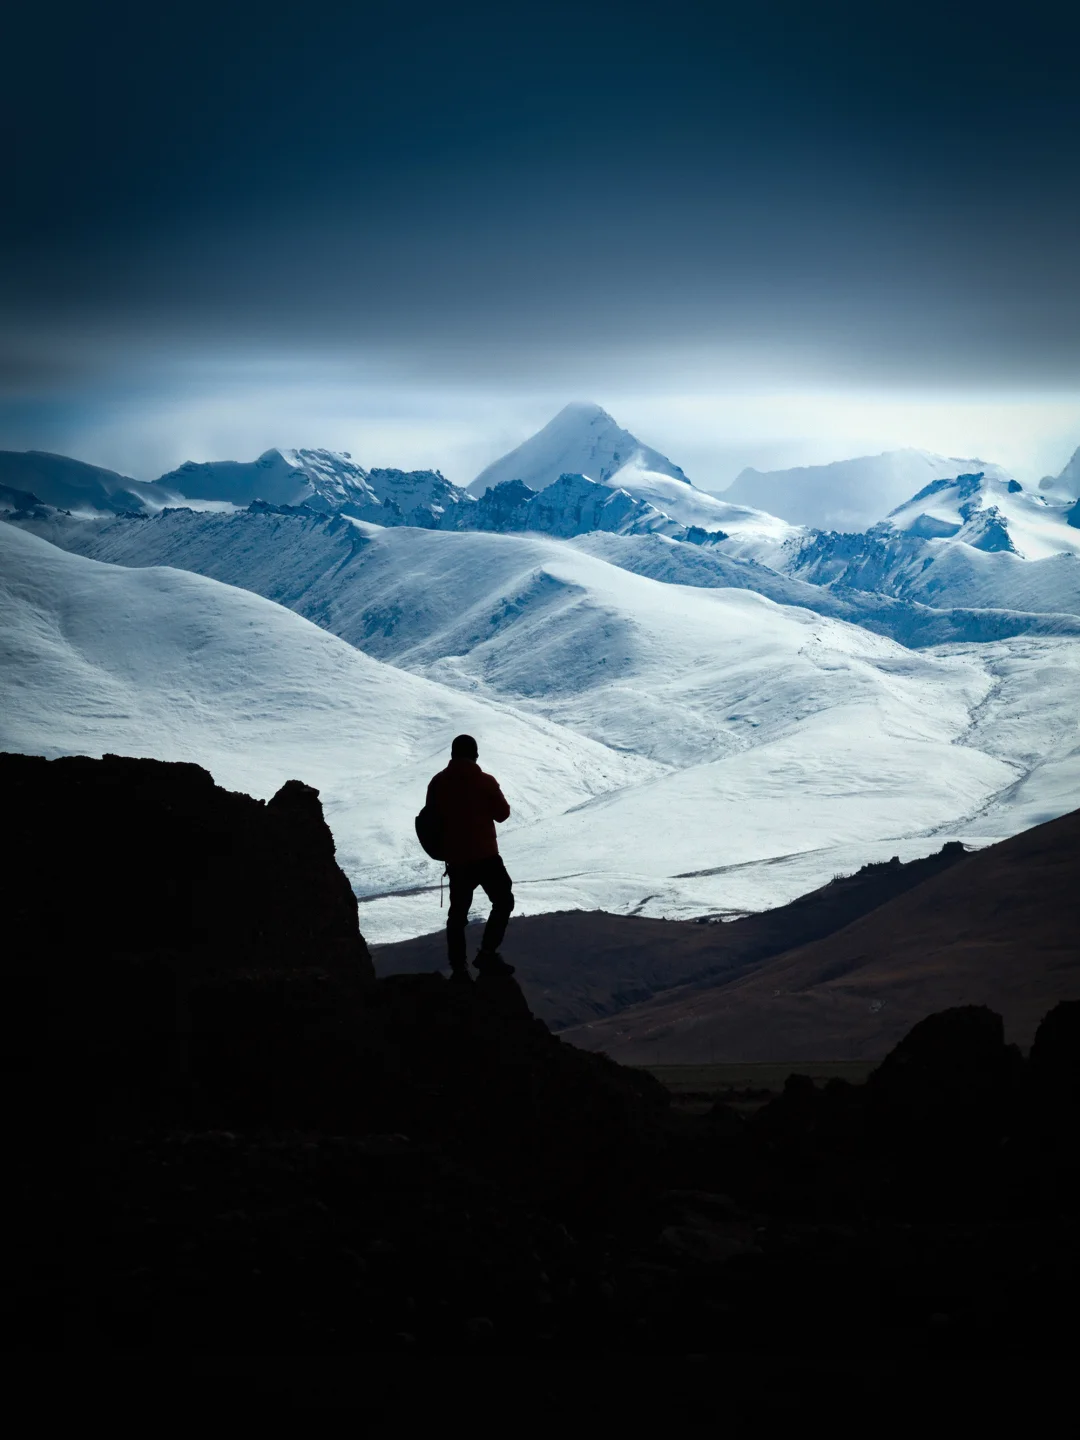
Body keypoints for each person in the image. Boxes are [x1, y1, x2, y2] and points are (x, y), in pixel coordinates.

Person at [425, 734, 515, 981]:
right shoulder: (484, 781)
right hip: (486, 856)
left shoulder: (437, 783)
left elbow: (430, 819)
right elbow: (503, 814)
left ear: (452, 754)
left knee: (457, 916)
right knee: (503, 901)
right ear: (475, 754)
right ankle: (487, 952)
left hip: (457, 860)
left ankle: (459, 968)